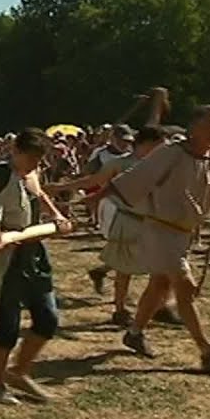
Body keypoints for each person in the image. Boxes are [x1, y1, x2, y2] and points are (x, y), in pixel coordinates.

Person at [111, 105, 210, 371]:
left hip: (183, 233)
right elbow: (135, 178)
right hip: (160, 229)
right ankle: (207, 351)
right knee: (184, 286)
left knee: (160, 284)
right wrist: (99, 196)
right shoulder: (171, 153)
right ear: (195, 128)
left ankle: (134, 333)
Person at [0, 129, 74, 406]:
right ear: (16, 151)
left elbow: (39, 194)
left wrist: (56, 216)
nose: (35, 164)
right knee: (8, 324)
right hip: (8, 258)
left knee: (47, 318)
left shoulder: (32, 173)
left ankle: (19, 371)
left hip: (34, 254)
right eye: (31, 157)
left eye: (39, 159)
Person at [47, 125, 171, 327]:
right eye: (160, 145)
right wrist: (61, 187)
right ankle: (120, 310)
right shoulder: (120, 163)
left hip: (155, 222)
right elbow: (93, 180)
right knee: (124, 268)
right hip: (129, 219)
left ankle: (160, 306)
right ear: (147, 144)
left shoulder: (161, 165)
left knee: (164, 267)